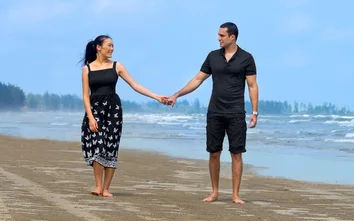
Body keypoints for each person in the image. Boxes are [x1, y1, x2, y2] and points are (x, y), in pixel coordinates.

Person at [166, 22, 258, 204]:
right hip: (215, 111)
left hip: (236, 112)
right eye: (218, 35)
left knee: (236, 153)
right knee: (214, 152)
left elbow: (252, 86)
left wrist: (255, 111)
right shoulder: (213, 56)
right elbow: (198, 79)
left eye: (222, 35)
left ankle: (235, 195)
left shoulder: (246, 58)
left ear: (232, 37)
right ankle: (214, 192)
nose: (218, 38)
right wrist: (177, 94)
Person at [80, 35, 167, 197]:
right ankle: (98, 186)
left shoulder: (117, 66)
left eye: (113, 46)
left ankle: (106, 188)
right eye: (109, 45)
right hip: (95, 110)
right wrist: (91, 118)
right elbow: (85, 96)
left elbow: (135, 85)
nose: (112, 49)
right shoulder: (87, 69)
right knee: (98, 146)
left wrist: (156, 97)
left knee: (111, 147)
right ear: (99, 47)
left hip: (113, 110)